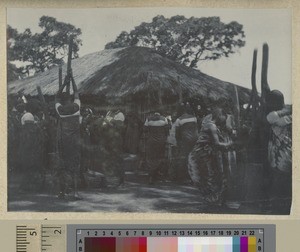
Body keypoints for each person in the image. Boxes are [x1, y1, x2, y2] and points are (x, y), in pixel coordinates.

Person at [188, 108, 234, 204]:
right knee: (208, 178)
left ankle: (214, 201)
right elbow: (217, 143)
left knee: (209, 178)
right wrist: (229, 144)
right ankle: (214, 201)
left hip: (203, 154)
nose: (225, 119)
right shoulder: (211, 126)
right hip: (200, 155)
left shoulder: (211, 125)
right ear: (219, 116)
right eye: (224, 117)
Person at [55, 73, 81, 199]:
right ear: (70, 99)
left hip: (63, 143)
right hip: (75, 143)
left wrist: (65, 83)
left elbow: (56, 97)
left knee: (63, 167)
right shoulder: (77, 108)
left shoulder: (60, 110)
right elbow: (76, 92)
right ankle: (75, 192)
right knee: (75, 168)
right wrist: (72, 79)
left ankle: (62, 192)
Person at [265, 90, 292, 213]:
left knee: (280, 185)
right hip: (281, 156)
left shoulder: (280, 118)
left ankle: (278, 211)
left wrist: (288, 110)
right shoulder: (287, 115)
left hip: (284, 157)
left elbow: (271, 117)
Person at [174, 103, 198, 182]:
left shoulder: (179, 119)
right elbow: (196, 129)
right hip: (194, 139)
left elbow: (177, 133)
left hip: (185, 140)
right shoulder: (194, 118)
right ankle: (193, 177)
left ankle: (181, 177)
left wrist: (178, 142)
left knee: (183, 158)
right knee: (193, 158)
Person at [144, 112, 170, 184]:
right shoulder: (164, 119)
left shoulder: (148, 119)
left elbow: (145, 130)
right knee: (159, 157)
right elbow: (167, 131)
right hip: (161, 141)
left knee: (151, 157)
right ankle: (157, 173)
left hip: (151, 141)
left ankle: (151, 176)